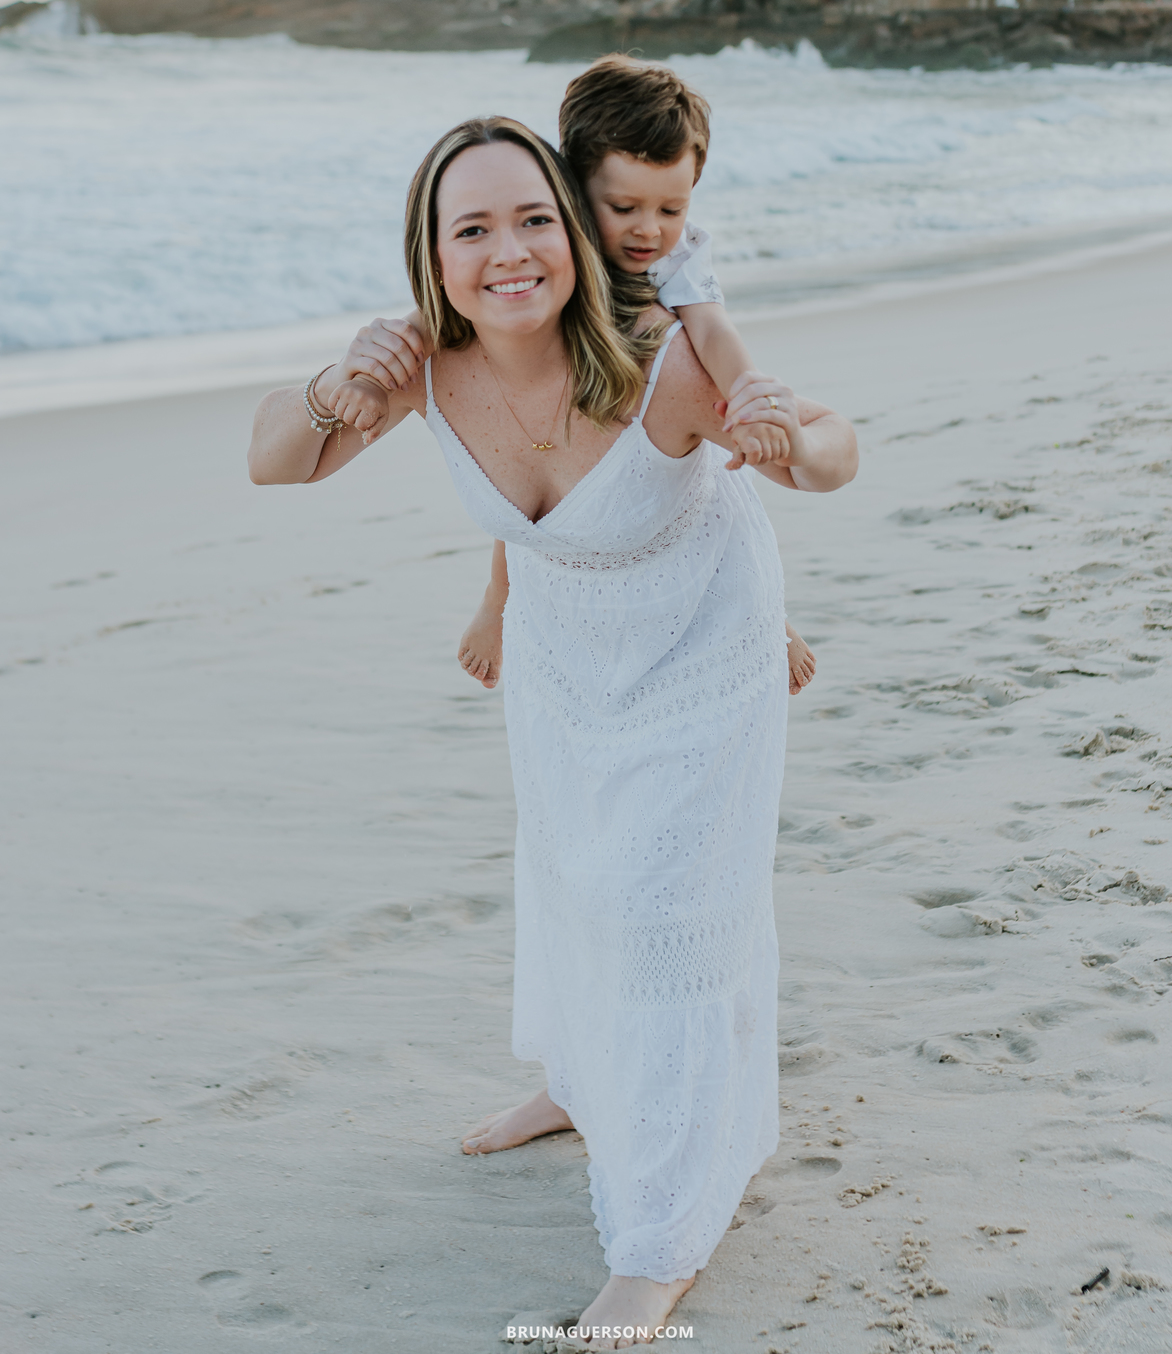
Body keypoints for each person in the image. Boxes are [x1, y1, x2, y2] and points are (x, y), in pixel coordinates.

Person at [247, 116, 857, 1348]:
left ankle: (660, 1241)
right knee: (578, 880)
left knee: (661, 914)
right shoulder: (420, 364)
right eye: (471, 228)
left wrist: (790, 428)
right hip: (568, 654)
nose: (508, 251)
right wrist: (330, 386)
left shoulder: (662, 358)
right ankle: (579, 1085)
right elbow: (277, 462)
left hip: (701, 646)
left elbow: (831, 458)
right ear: (432, 255)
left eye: (534, 218)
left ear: (574, 230)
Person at [454, 57, 815, 698]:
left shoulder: (674, 259)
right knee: (531, 468)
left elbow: (711, 329)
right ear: (572, 187)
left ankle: (769, 617)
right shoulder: (547, 247)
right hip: (582, 427)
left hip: (678, 431)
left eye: (672, 207)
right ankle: (495, 597)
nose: (650, 229)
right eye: (624, 207)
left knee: (713, 513)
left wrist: (750, 396)